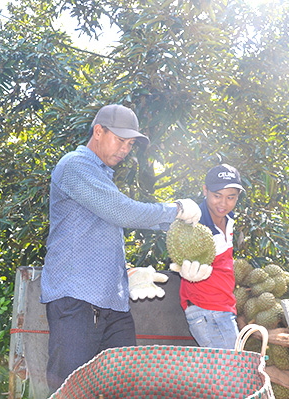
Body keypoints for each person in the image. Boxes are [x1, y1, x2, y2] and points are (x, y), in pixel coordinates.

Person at [40, 104, 202, 393]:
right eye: (120, 140)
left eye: (130, 144)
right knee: (72, 390)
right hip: (77, 300)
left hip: (112, 304)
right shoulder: (75, 165)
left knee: (125, 387)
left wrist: (126, 272)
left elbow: (96, 236)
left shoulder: (102, 176)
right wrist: (174, 210)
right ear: (98, 132)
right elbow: (121, 212)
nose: (125, 149)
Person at [171, 164, 244, 349]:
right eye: (217, 196)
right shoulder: (194, 224)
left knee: (226, 373)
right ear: (205, 190)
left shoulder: (229, 218)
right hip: (206, 309)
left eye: (231, 197)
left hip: (224, 305)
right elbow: (179, 254)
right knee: (229, 372)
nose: (223, 203)